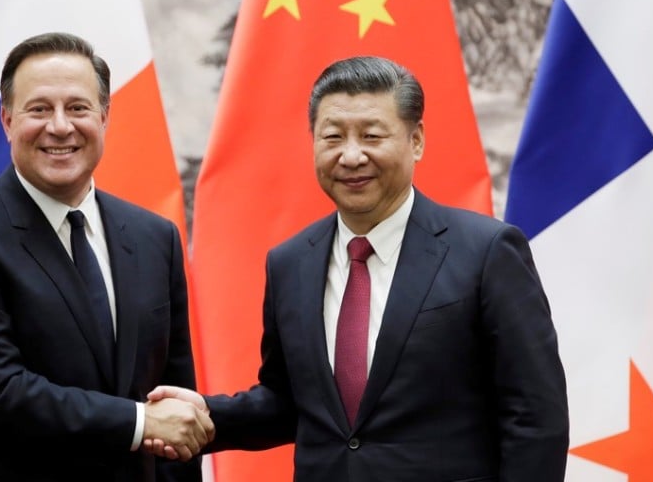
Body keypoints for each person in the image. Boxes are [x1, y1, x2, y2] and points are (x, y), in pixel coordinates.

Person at [149, 56, 569, 480]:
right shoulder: (290, 264)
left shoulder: (487, 252)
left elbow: (535, 418)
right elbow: (289, 403)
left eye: (371, 135)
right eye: (332, 137)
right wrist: (206, 414)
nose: (351, 156)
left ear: (416, 140)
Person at [0, 32, 212, 481]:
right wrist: (139, 422)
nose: (59, 126)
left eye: (77, 108)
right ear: (7, 120)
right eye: (39, 109)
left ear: (104, 117)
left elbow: (173, 400)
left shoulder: (154, 238)